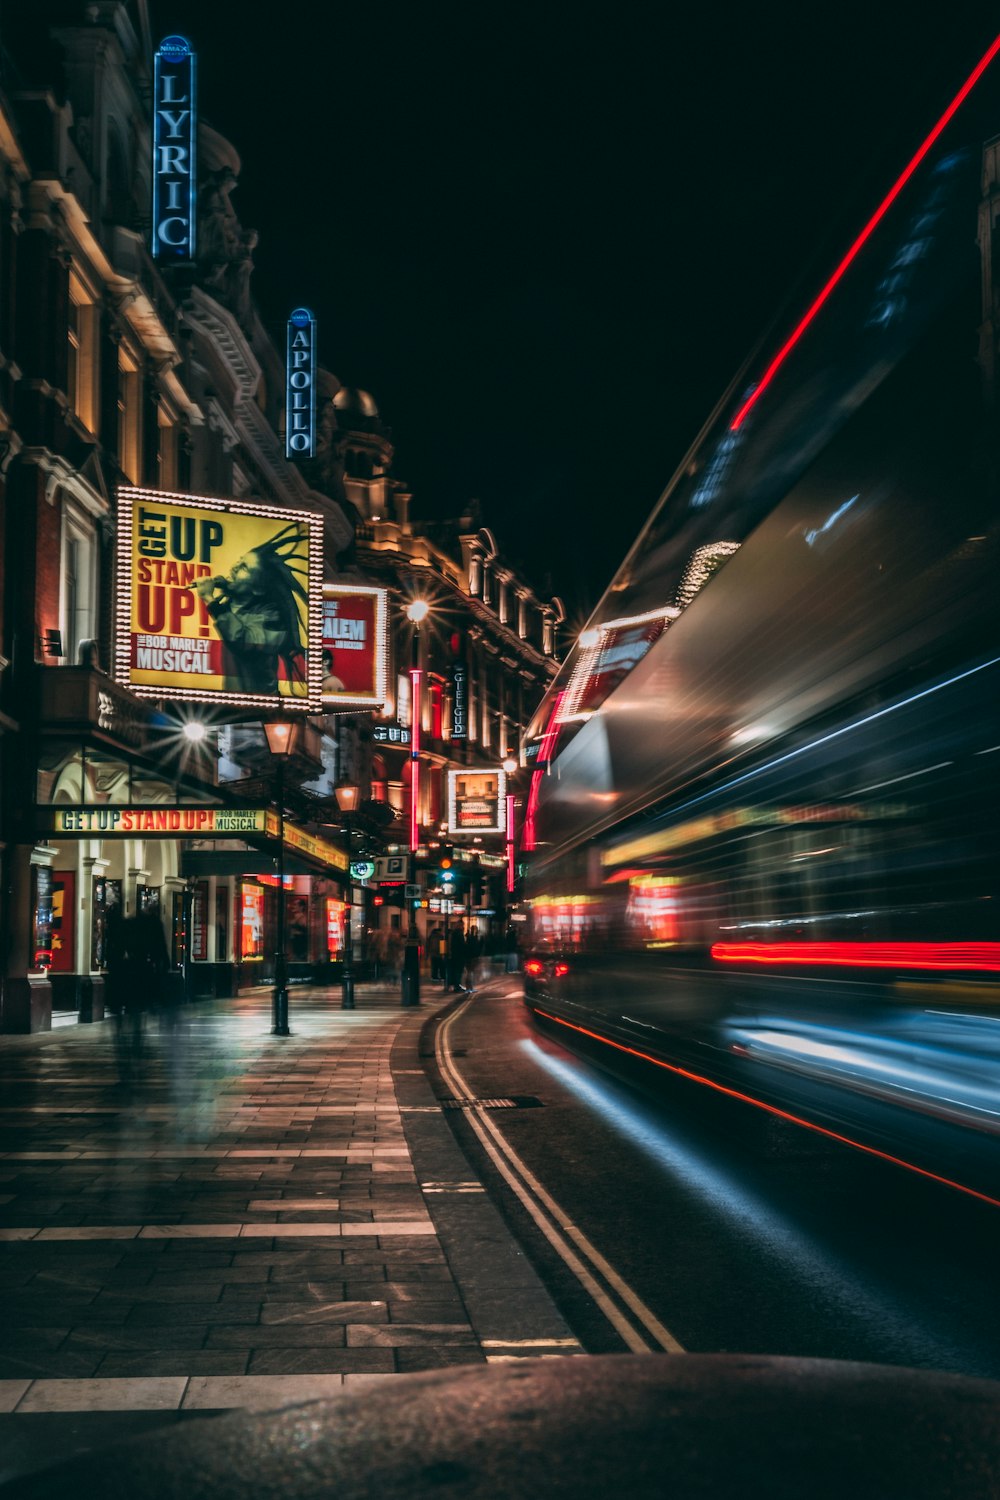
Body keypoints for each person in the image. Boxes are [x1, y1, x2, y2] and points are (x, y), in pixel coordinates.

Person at [196, 523, 310, 697]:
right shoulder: (234, 609)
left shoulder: (273, 620)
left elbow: (245, 641)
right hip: (235, 709)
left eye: (244, 568)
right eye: (239, 561)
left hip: (261, 710)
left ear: (259, 589)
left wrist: (210, 600)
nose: (234, 567)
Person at [447, 925, 466, 992]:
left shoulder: (452, 935)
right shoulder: (459, 935)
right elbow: (461, 946)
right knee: (457, 972)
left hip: (452, 956)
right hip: (458, 956)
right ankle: (457, 986)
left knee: (452, 971)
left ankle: (452, 985)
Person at [464, 926, 483, 990]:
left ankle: (469, 987)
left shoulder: (469, 937)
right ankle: (470, 987)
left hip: (469, 956)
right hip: (472, 957)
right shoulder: (473, 938)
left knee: (469, 972)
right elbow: (476, 948)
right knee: (470, 972)